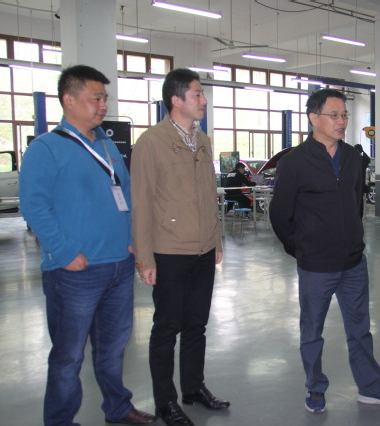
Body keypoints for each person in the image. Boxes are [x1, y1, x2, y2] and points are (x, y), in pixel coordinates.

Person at [19, 65, 156, 426]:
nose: (102, 105)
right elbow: (34, 206)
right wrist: (65, 254)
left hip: (119, 265)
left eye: (104, 98)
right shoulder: (45, 149)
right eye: (96, 98)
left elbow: (127, 194)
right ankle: (60, 420)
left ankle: (118, 407)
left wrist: (132, 241)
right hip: (75, 272)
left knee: (113, 348)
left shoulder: (107, 146)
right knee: (68, 357)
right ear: (69, 100)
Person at [270, 88, 380, 414]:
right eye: (334, 115)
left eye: (344, 115)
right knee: (312, 332)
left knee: (360, 330)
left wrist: (354, 239)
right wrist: (302, 249)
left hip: (353, 263)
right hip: (316, 266)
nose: (342, 121)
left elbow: (355, 204)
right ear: (313, 118)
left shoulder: (352, 159)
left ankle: (370, 387)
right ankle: (315, 388)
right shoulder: (294, 162)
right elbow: (280, 214)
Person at [131, 68, 228, 426]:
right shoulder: (151, 142)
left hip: (203, 250)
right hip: (169, 250)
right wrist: (144, 258)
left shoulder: (202, 140)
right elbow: (141, 202)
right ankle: (165, 402)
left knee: (196, 325)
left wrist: (216, 240)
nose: (204, 100)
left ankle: (193, 388)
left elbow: (209, 195)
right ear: (176, 99)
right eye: (197, 94)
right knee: (166, 328)